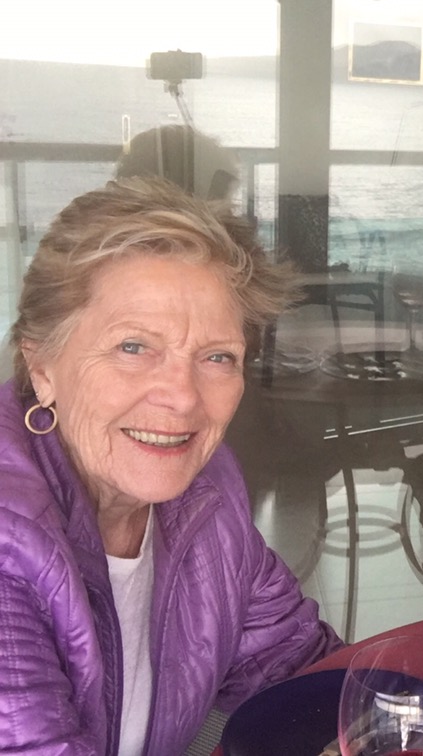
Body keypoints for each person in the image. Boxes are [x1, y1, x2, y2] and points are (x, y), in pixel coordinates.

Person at [0, 177, 341, 755]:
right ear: (42, 367)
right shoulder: (10, 542)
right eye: (133, 347)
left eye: (217, 356)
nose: (182, 398)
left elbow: (299, 668)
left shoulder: (207, 494)